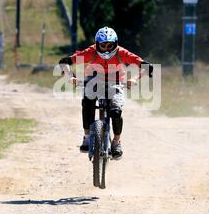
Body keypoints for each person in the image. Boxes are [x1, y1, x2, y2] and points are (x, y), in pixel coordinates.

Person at [59, 26, 153, 159]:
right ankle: (87, 137)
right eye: (103, 46)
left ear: (116, 44)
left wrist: (134, 78)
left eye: (110, 45)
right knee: (87, 101)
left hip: (115, 81)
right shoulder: (91, 52)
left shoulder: (121, 53)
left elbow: (147, 66)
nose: (107, 49)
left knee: (115, 111)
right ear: (97, 44)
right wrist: (70, 76)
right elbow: (65, 62)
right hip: (93, 80)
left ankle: (116, 141)